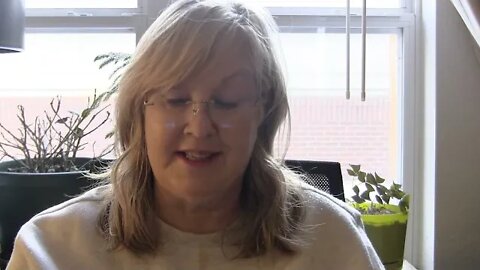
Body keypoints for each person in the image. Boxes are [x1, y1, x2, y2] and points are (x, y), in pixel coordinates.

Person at [7, 0, 384, 269]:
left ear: (263, 113)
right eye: (175, 98)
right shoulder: (52, 249)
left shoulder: (331, 241)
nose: (200, 126)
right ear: (139, 112)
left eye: (227, 101)